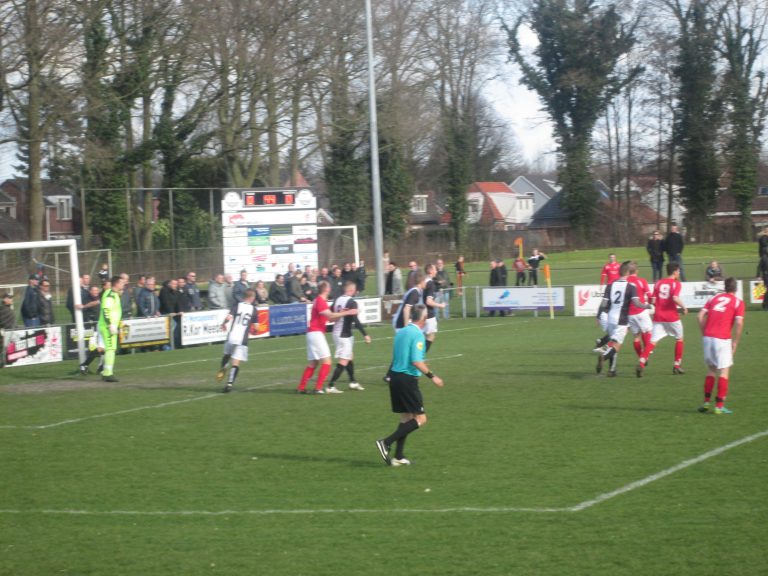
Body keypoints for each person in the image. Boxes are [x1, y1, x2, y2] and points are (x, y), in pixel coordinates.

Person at [375, 304, 445, 467]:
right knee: (421, 418)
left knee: (406, 418)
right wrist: (433, 377)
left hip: (395, 378)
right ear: (423, 319)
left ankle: (399, 455)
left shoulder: (402, 332)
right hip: (407, 380)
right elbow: (416, 361)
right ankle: (386, 443)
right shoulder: (417, 335)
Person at [296, 281, 358, 394]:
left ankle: (301, 387)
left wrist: (341, 313)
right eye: (329, 287)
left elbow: (331, 319)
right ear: (326, 289)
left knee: (313, 363)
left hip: (312, 333)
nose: (330, 289)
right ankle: (318, 388)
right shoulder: (320, 301)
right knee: (327, 361)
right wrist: (347, 313)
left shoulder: (320, 301)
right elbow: (331, 315)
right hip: (316, 334)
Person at [593, 261, 652, 377]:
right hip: (622, 320)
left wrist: (598, 315)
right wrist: (648, 306)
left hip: (610, 318)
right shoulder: (630, 287)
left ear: (618, 272)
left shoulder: (610, 285)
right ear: (628, 273)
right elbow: (637, 303)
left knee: (613, 342)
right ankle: (603, 357)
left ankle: (612, 370)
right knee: (616, 345)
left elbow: (604, 303)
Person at [697, 277, 744, 415]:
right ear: (736, 289)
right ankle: (719, 405)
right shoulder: (738, 302)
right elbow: (739, 323)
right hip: (722, 339)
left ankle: (706, 402)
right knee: (724, 371)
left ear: (724, 287)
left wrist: (704, 333)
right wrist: (735, 341)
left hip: (708, 337)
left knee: (711, 370)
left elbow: (699, 316)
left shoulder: (714, 298)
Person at [637, 262, 688, 376]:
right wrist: (684, 307)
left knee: (653, 341)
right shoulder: (676, 283)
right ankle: (677, 365)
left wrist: (658, 307)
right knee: (679, 339)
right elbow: (675, 298)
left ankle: (641, 362)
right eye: (678, 271)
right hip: (672, 317)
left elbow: (653, 301)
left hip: (658, 317)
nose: (679, 273)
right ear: (674, 271)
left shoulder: (658, 283)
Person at [327, 281, 371, 393]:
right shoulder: (352, 302)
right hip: (344, 335)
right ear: (351, 290)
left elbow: (330, 317)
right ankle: (330, 386)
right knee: (344, 360)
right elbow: (355, 321)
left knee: (349, 357)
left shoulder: (337, 300)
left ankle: (353, 382)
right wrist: (365, 334)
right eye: (355, 290)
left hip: (338, 333)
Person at [216, 289, 260, 393]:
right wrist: (254, 332)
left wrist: (223, 324)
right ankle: (229, 384)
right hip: (242, 340)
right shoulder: (254, 310)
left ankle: (224, 366)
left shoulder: (237, 305)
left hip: (232, 336)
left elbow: (229, 317)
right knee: (236, 362)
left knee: (227, 354)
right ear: (252, 298)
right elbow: (257, 328)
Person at [626, 261, 653, 374]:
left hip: (630, 314)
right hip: (641, 311)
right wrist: (650, 305)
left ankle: (642, 356)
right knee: (649, 334)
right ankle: (644, 358)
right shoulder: (641, 281)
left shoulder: (625, 282)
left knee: (636, 337)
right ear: (637, 270)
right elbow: (650, 296)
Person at [98, 275, 126, 382]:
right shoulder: (110, 295)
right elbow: (106, 310)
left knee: (111, 349)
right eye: (122, 283)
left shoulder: (114, 294)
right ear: (117, 284)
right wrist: (110, 324)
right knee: (110, 349)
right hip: (107, 327)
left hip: (111, 326)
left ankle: (105, 372)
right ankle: (107, 374)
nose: (123, 284)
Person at [422, 263, 446, 352]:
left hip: (420, 314)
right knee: (431, 336)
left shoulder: (423, 281)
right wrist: (440, 305)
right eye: (435, 269)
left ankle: (417, 357)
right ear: (431, 271)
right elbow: (428, 301)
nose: (436, 271)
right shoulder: (431, 284)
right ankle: (419, 357)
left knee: (422, 336)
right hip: (428, 314)